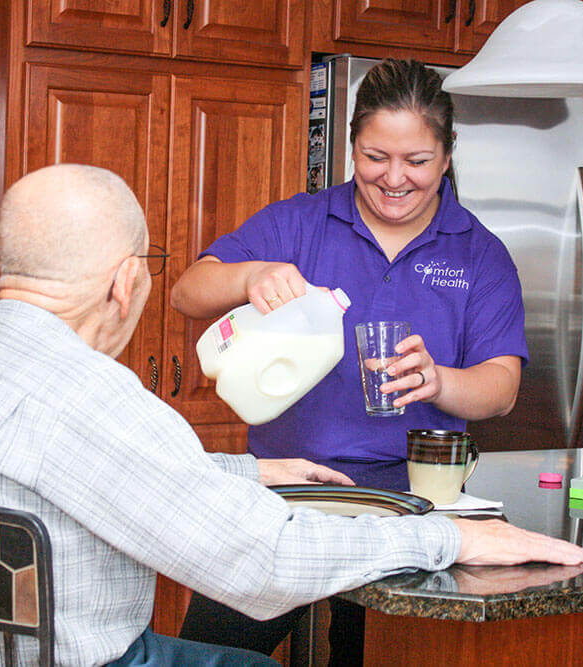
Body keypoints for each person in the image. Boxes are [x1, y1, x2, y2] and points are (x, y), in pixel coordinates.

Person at [0, 163, 583, 666]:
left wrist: (245, 469)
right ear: (126, 281)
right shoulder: (91, 395)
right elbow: (266, 562)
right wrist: (450, 541)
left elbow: (96, 468)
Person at [169, 59, 530, 662]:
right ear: (353, 148)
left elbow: (502, 389)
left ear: (447, 157)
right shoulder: (300, 223)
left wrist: (438, 380)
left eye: (416, 161)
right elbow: (187, 292)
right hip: (288, 492)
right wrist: (251, 275)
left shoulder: (480, 254)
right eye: (374, 157)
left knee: (365, 654)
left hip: (411, 503)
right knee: (212, 649)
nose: (393, 178)